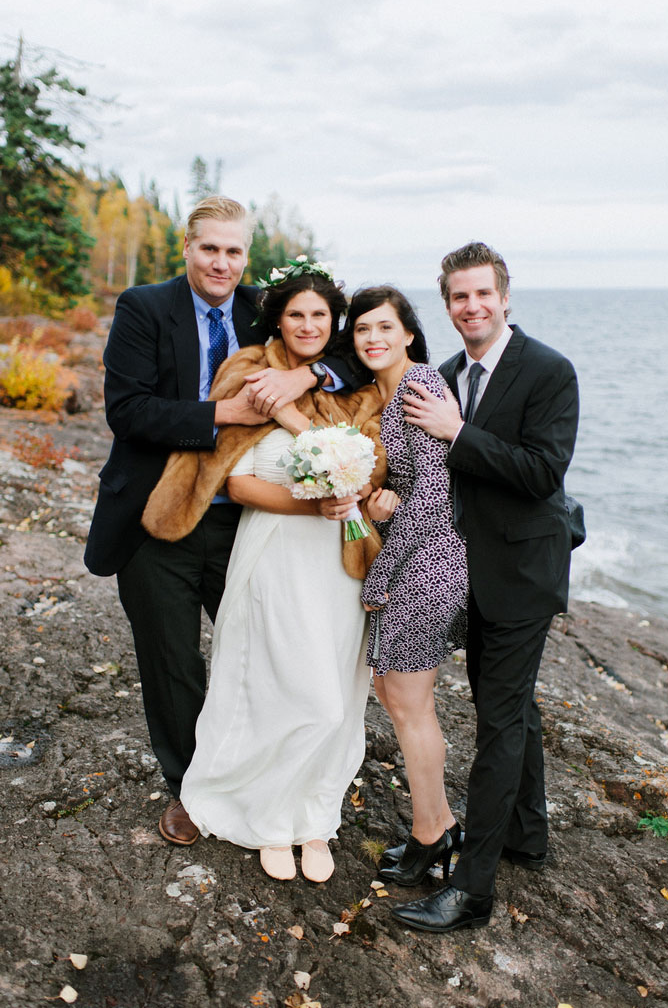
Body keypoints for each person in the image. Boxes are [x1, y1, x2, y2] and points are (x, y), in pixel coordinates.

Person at [84, 197, 355, 848]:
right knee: (173, 662)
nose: (222, 263)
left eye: (235, 251)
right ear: (188, 247)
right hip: (157, 516)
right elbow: (128, 411)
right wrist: (224, 414)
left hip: (250, 521)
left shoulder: (264, 306)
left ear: (247, 257)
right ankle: (189, 791)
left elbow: (354, 348)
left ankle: (265, 782)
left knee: (263, 657)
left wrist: (310, 375)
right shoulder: (144, 309)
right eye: (211, 248)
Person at [143, 265, 386, 882]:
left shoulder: (356, 388)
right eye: (296, 314)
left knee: (333, 694)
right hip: (274, 548)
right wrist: (313, 497)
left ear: (334, 325)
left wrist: (352, 487)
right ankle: (267, 815)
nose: (308, 326)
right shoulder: (247, 370)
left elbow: (374, 466)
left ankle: (313, 813)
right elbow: (238, 480)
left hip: (338, 562)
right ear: (277, 317)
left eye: (320, 317)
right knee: (275, 681)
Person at [393, 242, 579, 932]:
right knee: (513, 707)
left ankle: (473, 891)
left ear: (504, 297)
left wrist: (457, 431)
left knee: (498, 721)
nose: (471, 306)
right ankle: (529, 836)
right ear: (446, 306)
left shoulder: (549, 371)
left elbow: (541, 473)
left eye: (482, 294)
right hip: (463, 574)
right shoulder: (441, 375)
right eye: (458, 297)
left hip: (524, 574)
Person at [333, 286, 467, 885]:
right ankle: (439, 825)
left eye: (385, 327)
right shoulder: (383, 396)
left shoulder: (419, 389)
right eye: (362, 330)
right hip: (414, 555)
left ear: (409, 333)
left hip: (432, 561)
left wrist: (385, 525)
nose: (373, 339)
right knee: (394, 694)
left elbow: (435, 495)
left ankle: (429, 839)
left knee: (410, 704)